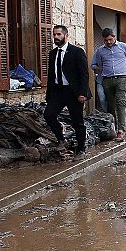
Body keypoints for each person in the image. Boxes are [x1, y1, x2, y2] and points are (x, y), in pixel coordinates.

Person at [43, 25, 91, 157]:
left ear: (66, 35)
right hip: (58, 91)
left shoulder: (76, 52)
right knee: (48, 114)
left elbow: (84, 74)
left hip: (73, 92)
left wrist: (83, 93)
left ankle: (81, 148)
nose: (56, 37)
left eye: (58, 34)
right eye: (54, 35)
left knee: (77, 121)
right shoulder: (53, 54)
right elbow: (51, 75)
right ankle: (61, 139)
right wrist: (49, 95)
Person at [92, 28, 126, 142]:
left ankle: (121, 130)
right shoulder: (100, 51)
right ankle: (112, 128)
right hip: (107, 79)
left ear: (114, 37)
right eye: (106, 40)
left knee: (120, 102)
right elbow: (94, 65)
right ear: (103, 40)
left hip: (121, 78)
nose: (109, 42)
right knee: (110, 103)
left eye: (111, 39)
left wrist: (125, 76)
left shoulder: (124, 47)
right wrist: (101, 69)